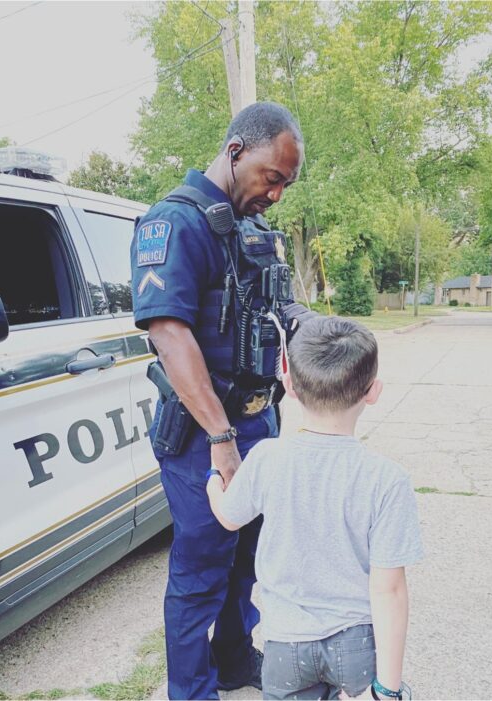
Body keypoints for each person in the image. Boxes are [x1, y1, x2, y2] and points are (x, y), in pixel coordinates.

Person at [131, 102, 314, 700]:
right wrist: (220, 438)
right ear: (236, 150)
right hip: (201, 437)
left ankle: (235, 661)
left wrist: (317, 328)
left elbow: (278, 307)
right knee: (202, 567)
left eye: (285, 183)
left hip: (259, 424)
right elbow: (169, 333)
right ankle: (191, 690)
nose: (277, 194)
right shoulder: (175, 222)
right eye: (272, 177)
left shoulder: (252, 229)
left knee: (245, 557)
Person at [207, 316, 423, 700]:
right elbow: (390, 589)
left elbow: (228, 516)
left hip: (286, 645)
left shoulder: (267, 458)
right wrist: (387, 690)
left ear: (288, 387)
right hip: (356, 643)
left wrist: (213, 480)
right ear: (373, 392)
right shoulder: (387, 479)